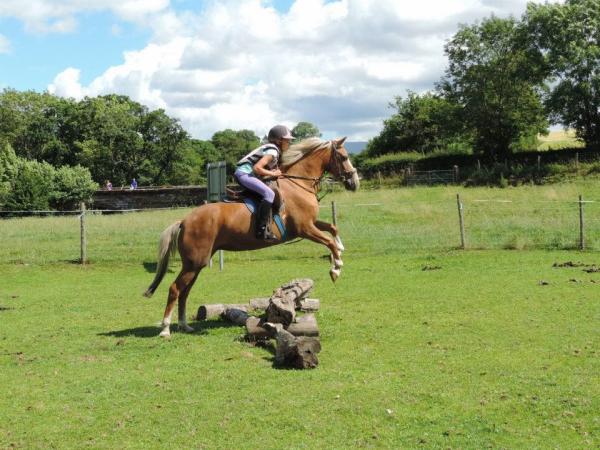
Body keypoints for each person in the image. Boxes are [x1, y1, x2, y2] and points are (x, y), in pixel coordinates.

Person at [235, 124, 293, 240]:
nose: (289, 143)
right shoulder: (273, 152)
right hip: (244, 174)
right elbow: (257, 168)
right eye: (287, 140)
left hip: (245, 174)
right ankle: (260, 230)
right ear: (279, 140)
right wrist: (274, 173)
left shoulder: (272, 149)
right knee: (269, 194)